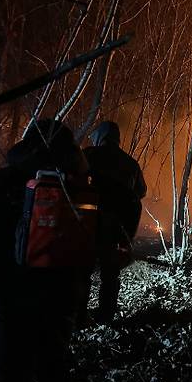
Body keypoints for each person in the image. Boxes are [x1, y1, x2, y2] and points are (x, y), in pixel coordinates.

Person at [0, 119, 89, 382]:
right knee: (55, 373)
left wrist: (3, 261)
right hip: (62, 297)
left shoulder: (12, 178)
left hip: (13, 295)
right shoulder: (77, 181)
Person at [82, 121, 146, 323]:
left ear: (100, 137)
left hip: (87, 225)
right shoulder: (130, 164)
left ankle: (79, 316)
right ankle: (105, 316)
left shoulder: (88, 155)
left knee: (82, 273)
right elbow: (141, 192)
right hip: (116, 229)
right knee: (110, 275)